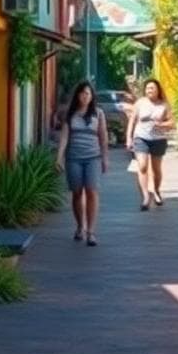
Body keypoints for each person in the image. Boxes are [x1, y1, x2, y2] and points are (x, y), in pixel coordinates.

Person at [55, 81, 108, 246]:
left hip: (93, 158)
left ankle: (91, 232)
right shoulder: (70, 114)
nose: (85, 96)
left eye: (88, 93)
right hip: (74, 158)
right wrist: (59, 157)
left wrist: (105, 158)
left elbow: (103, 136)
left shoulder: (98, 114)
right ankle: (80, 227)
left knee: (92, 191)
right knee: (77, 193)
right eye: (82, 93)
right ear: (77, 95)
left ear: (92, 97)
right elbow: (64, 137)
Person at [125, 77, 173, 210]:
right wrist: (129, 138)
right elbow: (132, 121)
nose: (149, 90)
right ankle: (146, 196)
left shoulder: (164, 104)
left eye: (152, 88)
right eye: (147, 88)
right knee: (142, 166)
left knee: (156, 170)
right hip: (141, 138)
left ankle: (156, 191)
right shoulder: (140, 103)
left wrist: (162, 124)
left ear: (158, 90)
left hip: (158, 139)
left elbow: (172, 123)